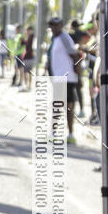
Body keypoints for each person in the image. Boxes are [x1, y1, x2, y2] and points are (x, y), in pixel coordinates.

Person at [47, 16, 78, 144]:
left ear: (61, 25)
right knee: (61, 106)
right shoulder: (55, 39)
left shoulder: (64, 38)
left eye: (56, 25)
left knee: (63, 106)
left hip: (66, 78)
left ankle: (65, 134)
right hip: (59, 78)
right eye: (52, 25)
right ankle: (61, 134)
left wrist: (78, 76)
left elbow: (75, 55)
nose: (53, 28)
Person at [21, 25, 35, 90]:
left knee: (29, 72)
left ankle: (29, 85)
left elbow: (29, 46)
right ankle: (26, 84)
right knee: (25, 72)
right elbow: (24, 44)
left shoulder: (32, 37)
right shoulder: (28, 37)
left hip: (30, 57)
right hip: (26, 57)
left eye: (28, 30)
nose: (27, 32)